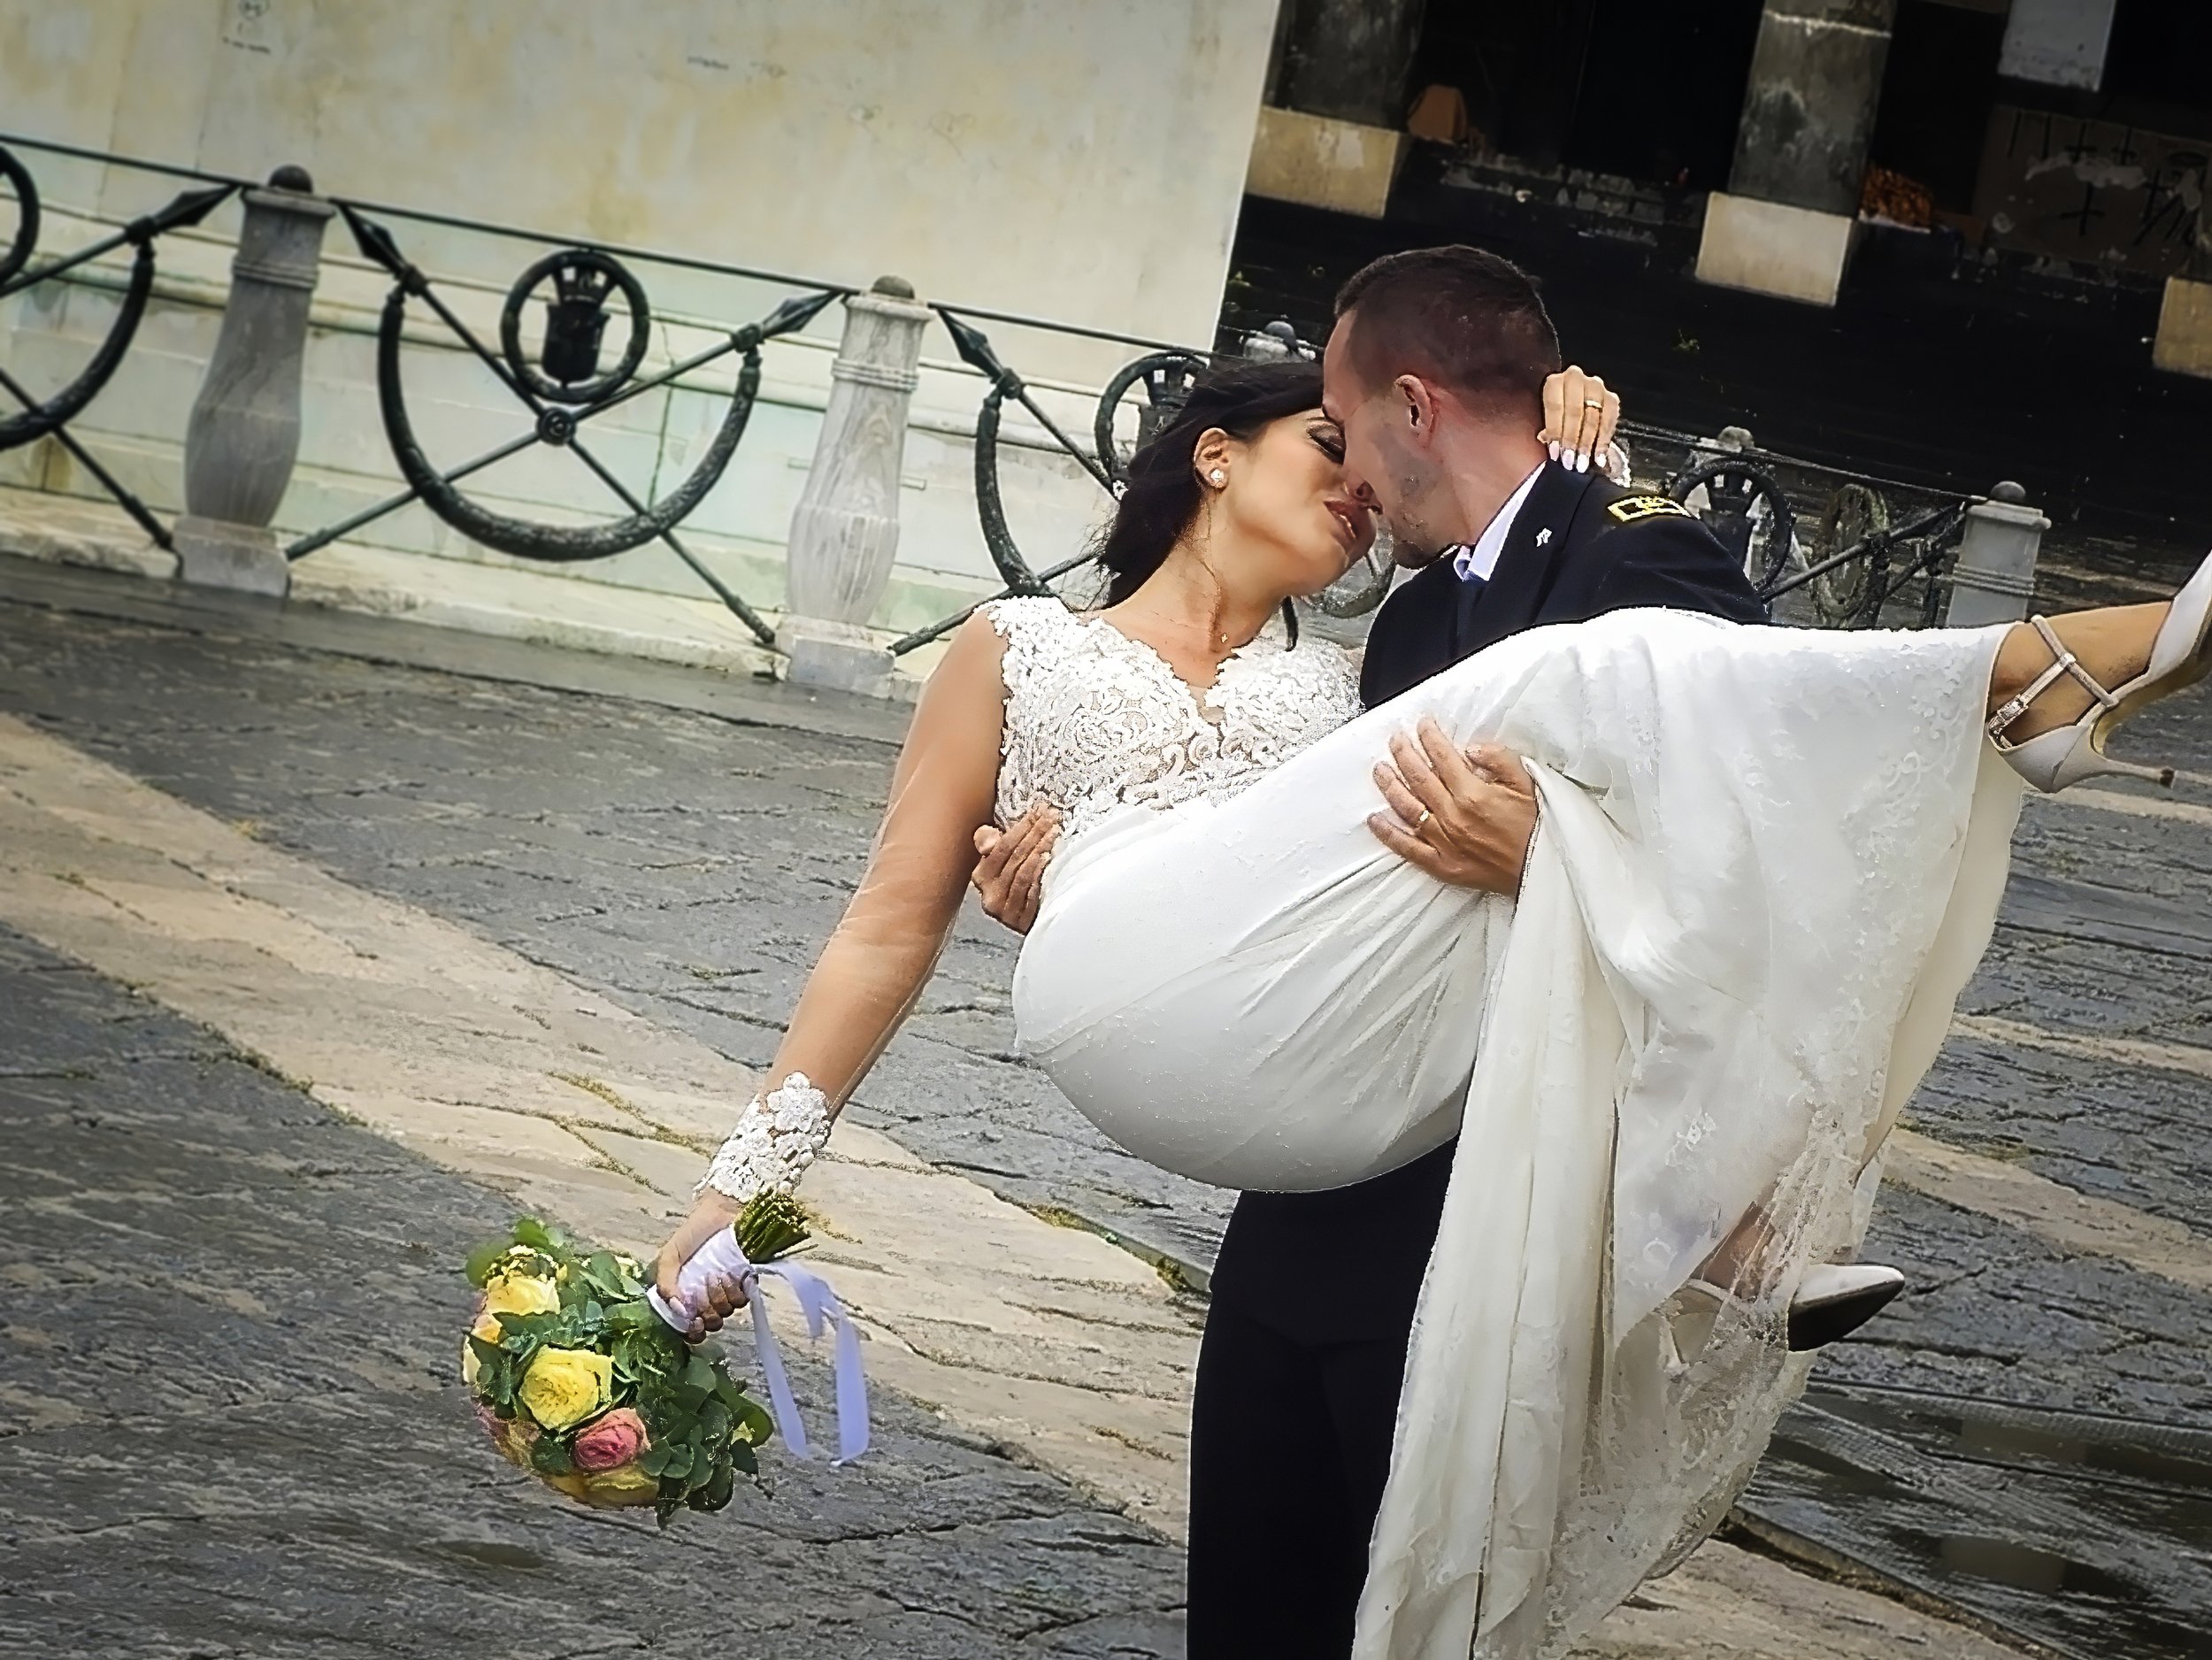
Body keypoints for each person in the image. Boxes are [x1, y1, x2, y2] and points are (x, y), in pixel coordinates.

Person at [656, 252, 2212, 1659]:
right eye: (1314, 441)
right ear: (1219, 451)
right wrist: (758, 1183)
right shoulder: (1096, 647)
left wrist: (1553, 816)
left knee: (1397, 1618)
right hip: (1245, 1127)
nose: (1348, 487)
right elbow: (901, 922)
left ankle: (2023, 701)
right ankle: (2033, 689)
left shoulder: (1351, 675)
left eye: (1354, 440)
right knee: (1257, 1611)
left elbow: (1704, 773)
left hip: (1440, 1191)